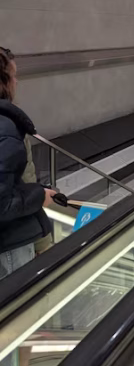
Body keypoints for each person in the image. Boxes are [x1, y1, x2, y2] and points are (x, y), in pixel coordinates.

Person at [0, 47, 57, 282]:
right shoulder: (6, 129)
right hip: (8, 244)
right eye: (13, 75)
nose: (17, 81)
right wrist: (39, 196)